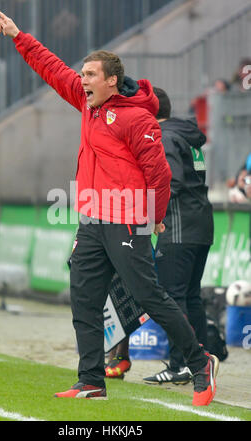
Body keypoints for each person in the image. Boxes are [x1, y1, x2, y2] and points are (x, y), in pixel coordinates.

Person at [0, 8, 219, 406]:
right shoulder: (87, 103)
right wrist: (18, 36)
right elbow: (52, 68)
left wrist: (155, 217)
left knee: (151, 298)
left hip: (128, 220)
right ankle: (91, 380)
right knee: (83, 297)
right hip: (92, 220)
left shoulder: (137, 119)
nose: (82, 80)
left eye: (90, 75)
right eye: (82, 75)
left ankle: (201, 365)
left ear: (111, 80)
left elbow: (159, 175)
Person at [105, 88, 214, 386]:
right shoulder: (187, 134)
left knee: (174, 298)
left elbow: (171, 180)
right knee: (191, 296)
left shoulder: (163, 137)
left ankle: (183, 365)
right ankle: (200, 362)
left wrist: (148, 211)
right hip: (201, 223)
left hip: (177, 227)